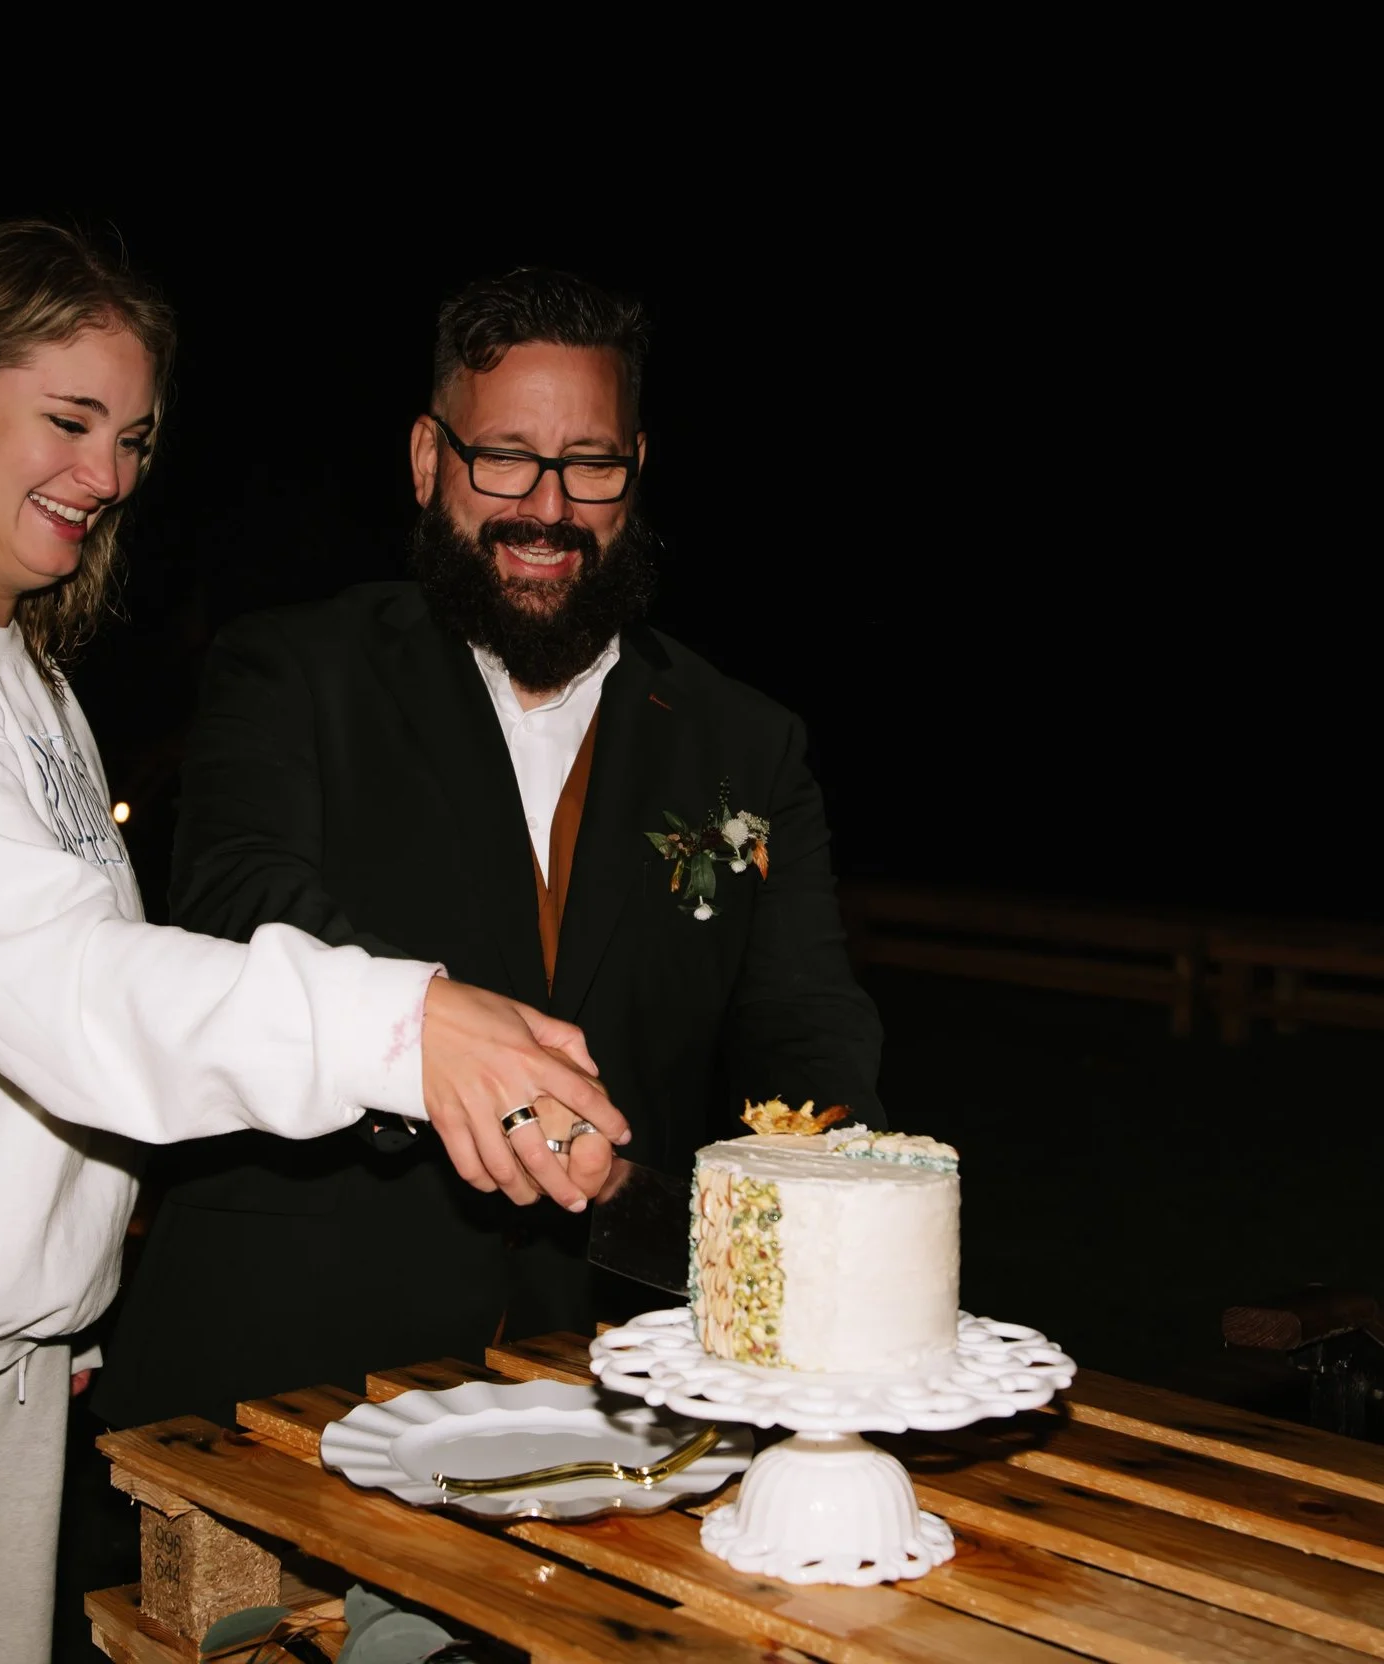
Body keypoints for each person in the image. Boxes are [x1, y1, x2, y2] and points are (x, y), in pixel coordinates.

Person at [0, 223, 627, 1664]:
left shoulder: (19, 678)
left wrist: (63, 1300)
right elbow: (53, 989)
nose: (110, 472)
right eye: (67, 420)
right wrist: (407, 1026)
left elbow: (63, 1034)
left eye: (133, 437)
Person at [94, 267, 883, 1432]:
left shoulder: (746, 745)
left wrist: (840, 1226)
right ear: (428, 460)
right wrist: (436, 1045)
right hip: (287, 1369)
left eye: (591, 462)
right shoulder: (291, 672)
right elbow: (237, 893)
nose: (548, 506)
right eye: (504, 455)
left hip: (613, 1384)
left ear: (637, 469)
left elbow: (804, 1021)